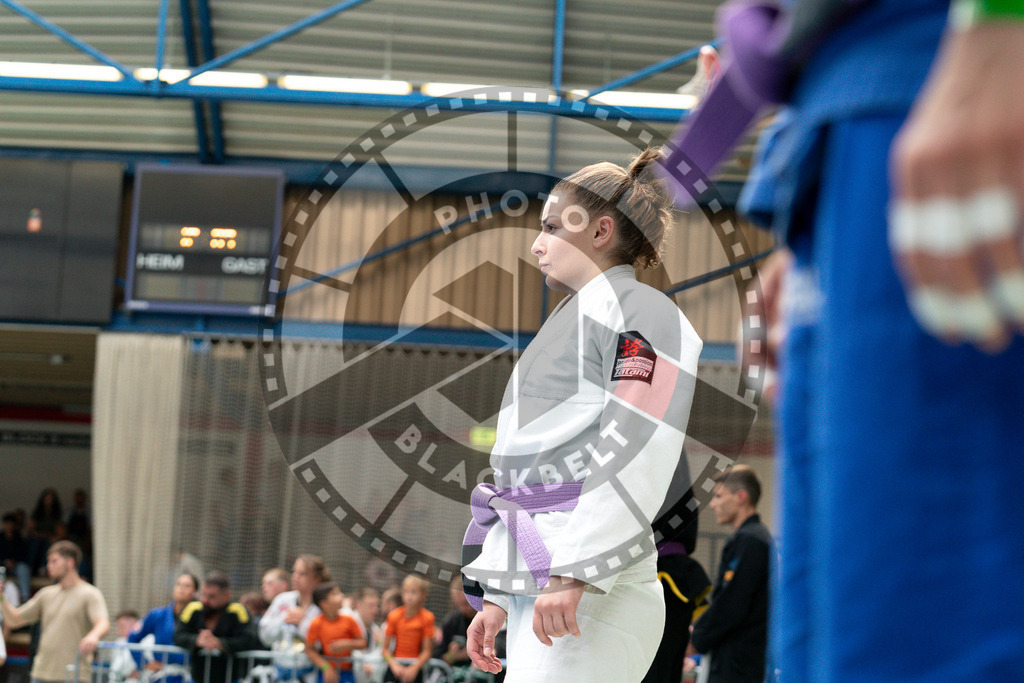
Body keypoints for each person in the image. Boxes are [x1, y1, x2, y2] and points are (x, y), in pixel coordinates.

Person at [722, 0, 1024, 679]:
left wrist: (1004, 23)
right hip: (845, 122)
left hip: (939, 73)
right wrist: (808, 238)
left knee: (938, 641)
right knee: (842, 650)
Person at [463, 148, 702, 682]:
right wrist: (501, 593)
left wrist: (577, 569)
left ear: (600, 231)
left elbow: (640, 446)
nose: (536, 244)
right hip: (545, 578)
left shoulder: (646, 315)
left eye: (551, 227)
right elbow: (521, 479)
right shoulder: (570, 321)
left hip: (596, 586)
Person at [689, 466, 771, 683]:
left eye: (718, 496)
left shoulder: (751, 541)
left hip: (739, 664)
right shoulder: (750, 539)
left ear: (740, 497)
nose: (713, 504)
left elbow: (732, 603)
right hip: (736, 658)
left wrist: (694, 639)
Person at [0, 540, 109, 683]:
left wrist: (94, 636)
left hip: (74, 674)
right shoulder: (46, 594)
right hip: (41, 673)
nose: (48, 566)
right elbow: (14, 620)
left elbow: (103, 623)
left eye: (54, 561)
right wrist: (1, 597)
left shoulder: (90, 593)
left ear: (70, 562)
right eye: (48, 561)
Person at [174, 571, 260, 683]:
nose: (205, 600)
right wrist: (197, 640)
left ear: (226, 596)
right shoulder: (193, 608)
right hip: (197, 677)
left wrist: (220, 643)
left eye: (212, 596)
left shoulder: (238, 611)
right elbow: (178, 635)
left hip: (230, 678)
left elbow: (249, 639)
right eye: (203, 594)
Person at [128, 572, 199, 679]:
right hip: (162, 677)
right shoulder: (157, 615)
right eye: (178, 584)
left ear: (195, 592)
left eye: (187, 586)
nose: (181, 589)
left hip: (189, 677)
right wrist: (145, 663)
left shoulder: (201, 618)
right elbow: (133, 638)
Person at [259, 555, 330, 649]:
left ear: (317, 579)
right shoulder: (282, 600)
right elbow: (265, 636)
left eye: (302, 574)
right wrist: (284, 619)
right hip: (281, 661)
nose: (296, 577)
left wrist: (303, 623)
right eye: (294, 572)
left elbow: (325, 643)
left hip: (311, 662)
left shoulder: (324, 605)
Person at [305, 582, 367, 683]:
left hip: (347, 671)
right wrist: (325, 667)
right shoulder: (317, 623)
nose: (341, 596)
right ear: (324, 604)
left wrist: (347, 644)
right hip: (327, 671)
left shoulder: (349, 620)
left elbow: (363, 643)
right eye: (335, 594)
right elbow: (309, 649)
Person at [382, 575, 434, 683]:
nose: (409, 596)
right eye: (406, 591)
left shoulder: (427, 617)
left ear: (424, 595)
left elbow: (427, 651)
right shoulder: (394, 615)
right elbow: (385, 650)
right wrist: (393, 665)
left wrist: (414, 667)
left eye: (414, 592)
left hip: (415, 668)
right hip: (395, 667)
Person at [432, 577, 478, 680]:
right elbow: (437, 657)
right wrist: (454, 656)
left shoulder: (488, 618)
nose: (463, 609)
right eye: (459, 605)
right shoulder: (451, 622)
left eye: (466, 604)